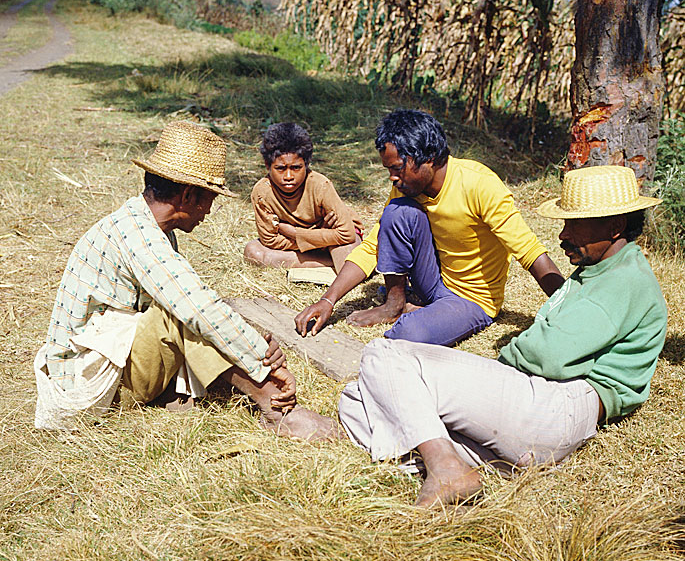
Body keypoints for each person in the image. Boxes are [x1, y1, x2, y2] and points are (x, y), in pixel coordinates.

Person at [338, 165, 667, 508]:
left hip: (558, 407)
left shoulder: (623, 280)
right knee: (358, 400)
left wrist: (508, 355)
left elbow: (550, 355)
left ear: (614, 226)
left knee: (385, 354)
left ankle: (446, 469)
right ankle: (451, 461)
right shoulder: (601, 270)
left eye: (575, 224)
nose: (563, 235)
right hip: (538, 421)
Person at [34, 120, 337, 441]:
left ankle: (184, 390)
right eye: (210, 199)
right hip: (86, 388)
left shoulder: (147, 226)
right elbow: (195, 308)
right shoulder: (138, 236)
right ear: (189, 195)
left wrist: (255, 346)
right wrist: (263, 364)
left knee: (196, 315)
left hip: (110, 362)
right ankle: (277, 411)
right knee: (181, 314)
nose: (208, 211)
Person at [295, 109, 564, 346]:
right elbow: (373, 246)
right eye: (388, 169)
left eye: (398, 168)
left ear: (430, 158)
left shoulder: (479, 185)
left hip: (471, 299)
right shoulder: (406, 186)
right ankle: (394, 304)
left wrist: (570, 308)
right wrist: (327, 301)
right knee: (396, 213)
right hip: (431, 281)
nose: (392, 177)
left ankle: (421, 313)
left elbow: (531, 254)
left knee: (408, 335)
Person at [243, 122, 363, 274]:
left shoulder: (320, 185)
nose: (288, 176)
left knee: (349, 261)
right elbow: (270, 240)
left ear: (306, 164)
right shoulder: (262, 192)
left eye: (296, 168)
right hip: (321, 240)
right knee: (254, 253)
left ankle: (332, 263)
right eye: (280, 168)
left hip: (331, 240)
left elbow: (347, 234)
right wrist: (317, 239)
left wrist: (295, 233)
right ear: (267, 165)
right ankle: (328, 262)